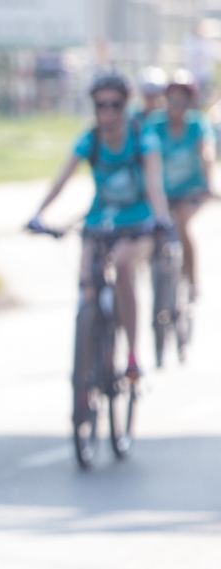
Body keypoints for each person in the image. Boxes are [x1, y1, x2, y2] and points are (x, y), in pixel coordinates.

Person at [31, 71, 172, 382]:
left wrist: (162, 219)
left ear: (125, 105)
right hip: (99, 222)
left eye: (115, 105)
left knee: (123, 267)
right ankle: (87, 363)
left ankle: (132, 356)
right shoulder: (89, 138)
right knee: (88, 283)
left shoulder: (142, 137)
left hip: (138, 223)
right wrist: (38, 214)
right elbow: (61, 180)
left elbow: (153, 184)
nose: (108, 112)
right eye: (101, 105)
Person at [147, 69, 214, 298]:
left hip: (191, 191)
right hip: (163, 193)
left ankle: (192, 281)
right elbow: (145, 152)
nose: (176, 104)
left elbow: (206, 151)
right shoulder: (155, 124)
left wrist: (209, 182)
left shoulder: (197, 124)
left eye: (181, 98)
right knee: (155, 230)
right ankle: (159, 277)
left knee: (182, 224)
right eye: (172, 98)